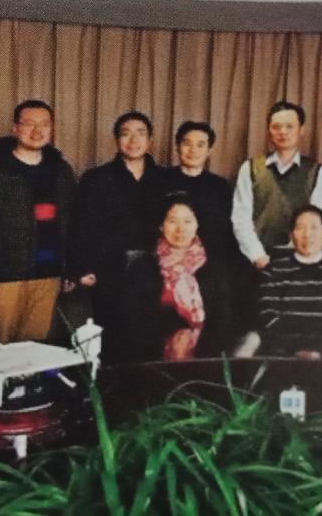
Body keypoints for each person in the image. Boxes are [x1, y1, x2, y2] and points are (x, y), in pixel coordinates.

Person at [0, 100, 76, 344]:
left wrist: (70, 267)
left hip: (49, 275)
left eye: (44, 124)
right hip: (5, 276)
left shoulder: (61, 170)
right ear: (15, 129)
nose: (37, 130)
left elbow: (72, 222)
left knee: (36, 349)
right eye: (29, 123)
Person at [71, 111, 167, 335]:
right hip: (109, 271)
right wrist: (82, 267)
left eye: (140, 133)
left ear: (150, 140)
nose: (133, 140)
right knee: (112, 336)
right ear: (116, 139)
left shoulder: (166, 179)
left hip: (157, 271)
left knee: (151, 336)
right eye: (126, 134)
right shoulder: (95, 178)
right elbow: (80, 226)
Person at [109, 196, 233, 363]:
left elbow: (222, 322)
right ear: (161, 225)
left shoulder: (215, 268)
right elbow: (133, 320)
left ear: (197, 225)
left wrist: (198, 352)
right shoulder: (143, 267)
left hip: (205, 360)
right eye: (172, 221)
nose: (180, 229)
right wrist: (174, 332)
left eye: (188, 221)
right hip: (153, 359)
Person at [252, 206, 322, 359]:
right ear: (291, 235)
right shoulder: (273, 272)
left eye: (314, 228)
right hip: (283, 357)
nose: (307, 234)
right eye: (300, 228)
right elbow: (268, 317)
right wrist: (295, 349)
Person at [231, 101, 322, 271]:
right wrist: (258, 256)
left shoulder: (316, 172)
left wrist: (293, 257)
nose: (283, 132)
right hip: (255, 262)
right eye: (276, 127)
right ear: (269, 130)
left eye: (289, 126)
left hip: (300, 263)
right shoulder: (250, 168)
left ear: (301, 130)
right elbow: (240, 219)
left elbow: (316, 223)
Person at [162, 121, 238, 262]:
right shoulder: (161, 179)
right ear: (177, 147)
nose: (193, 150)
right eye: (187, 144)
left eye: (200, 145)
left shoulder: (220, 186)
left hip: (210, 257)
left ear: (209, 151)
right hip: (169, 256)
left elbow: (225, 231)